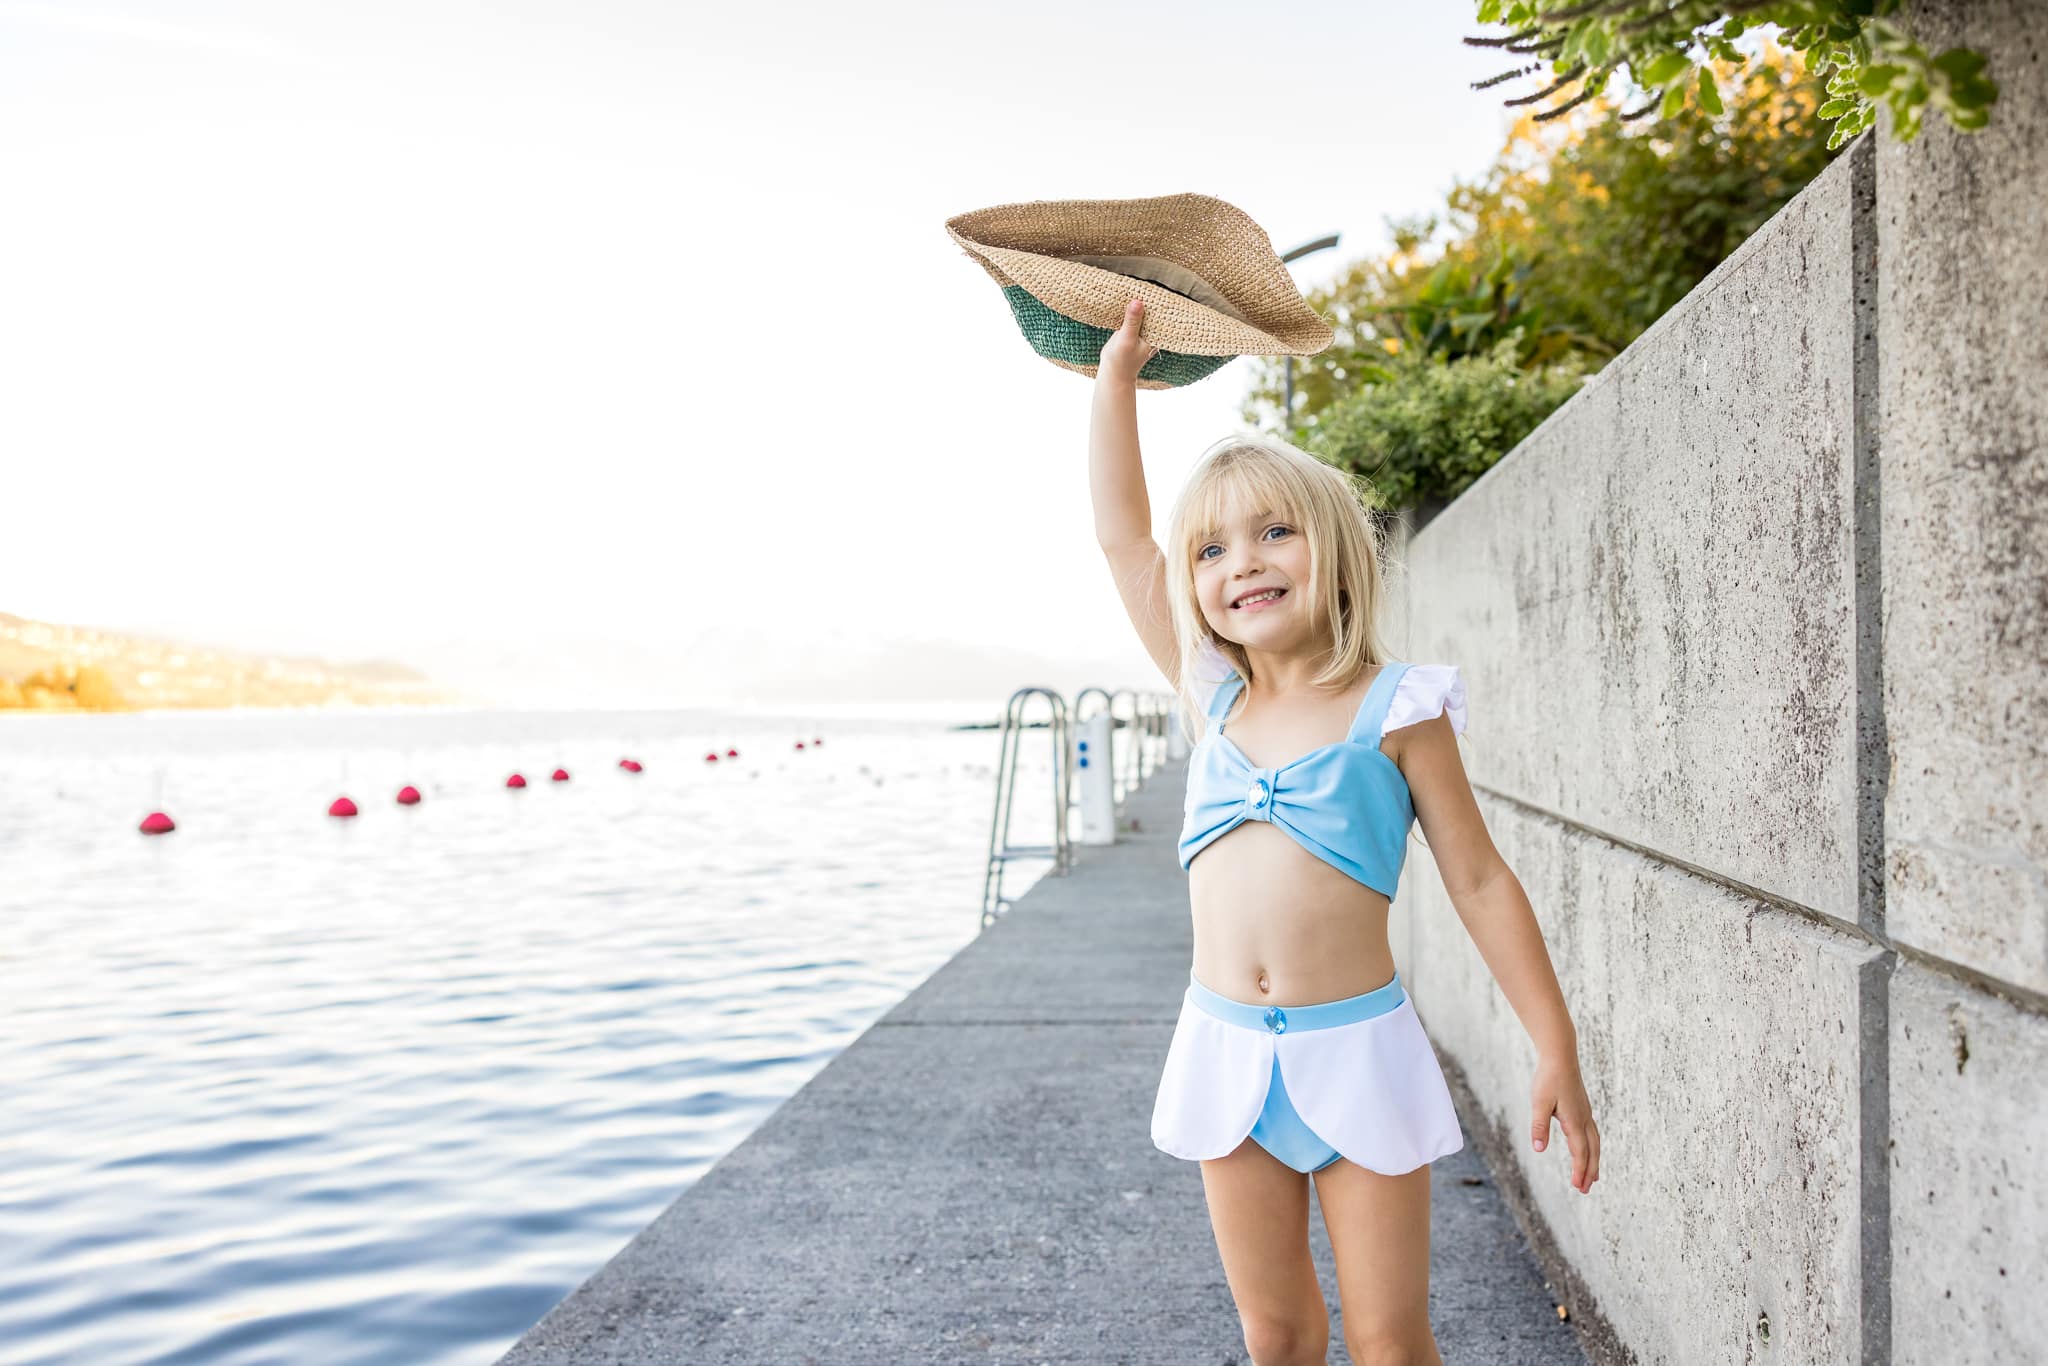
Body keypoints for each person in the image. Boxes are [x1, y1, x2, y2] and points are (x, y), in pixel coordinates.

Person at [1088, 296, 1600, 1365]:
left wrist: (1552, 1040)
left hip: (1358, 1052)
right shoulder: (1210, 695)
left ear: (1334, 552)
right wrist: (1115, 382)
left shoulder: (1397, 709)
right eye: (1211, 549)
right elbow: (1123, 537)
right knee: (1274, 1333)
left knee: (1387, 1337)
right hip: (1225, 1049)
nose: (1242, 561)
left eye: (1274, 532)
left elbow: (1478, 880)